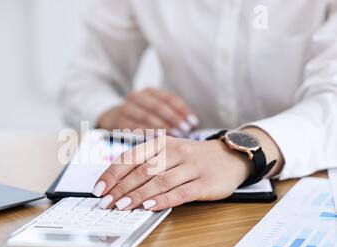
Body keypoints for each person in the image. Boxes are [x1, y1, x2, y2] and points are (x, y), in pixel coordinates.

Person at [60, 0, 337, 211]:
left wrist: (237, 152)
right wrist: (111, 112)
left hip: (307, 182)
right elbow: (84, 79)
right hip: (180, 195)